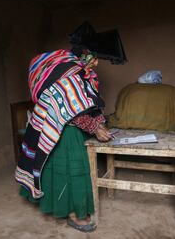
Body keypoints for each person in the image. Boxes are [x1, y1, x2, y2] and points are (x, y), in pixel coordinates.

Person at [15, 47, 112, 232]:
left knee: (60, 168)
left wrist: (100, 123)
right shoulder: (69, 77)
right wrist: (94, 128)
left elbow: (90, 104)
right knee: (71, 169)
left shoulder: (85, 77)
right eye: (94, 58)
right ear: (84, 57)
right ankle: (75, 214)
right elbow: (70, 110)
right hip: (62, 130)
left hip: (66, 128)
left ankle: (66, 206)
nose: (97, 63)